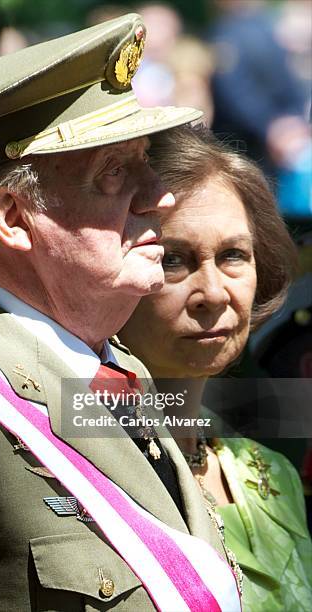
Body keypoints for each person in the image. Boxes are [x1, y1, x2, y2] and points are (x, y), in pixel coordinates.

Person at [0, 14, 241, 612]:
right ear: (11, 217)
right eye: (114, 172)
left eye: (145, 161)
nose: (159, 196)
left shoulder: (113, 365)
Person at [120, 125, 312, 611]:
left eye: (232, 256)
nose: (214, 293)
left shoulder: (271, 472)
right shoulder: (77, 465)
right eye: (173, 260)